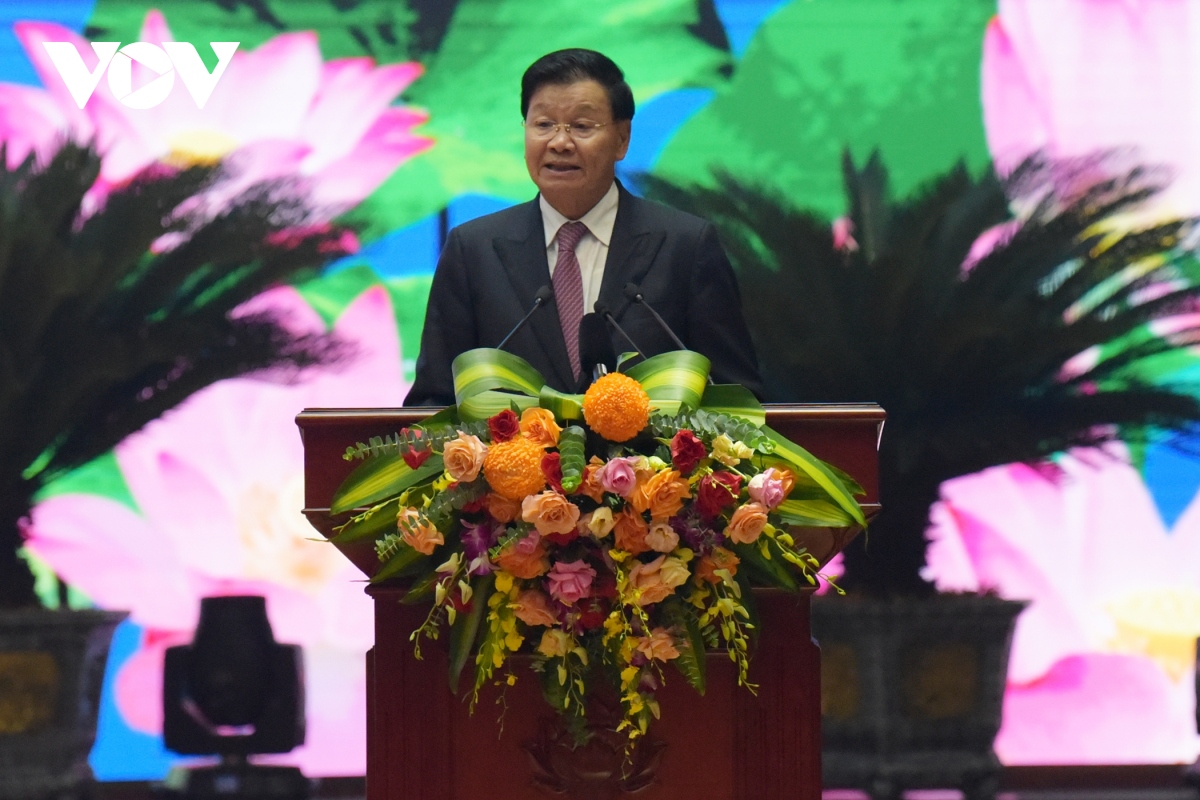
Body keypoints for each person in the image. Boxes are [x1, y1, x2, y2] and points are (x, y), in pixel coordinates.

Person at [405, 48, 762, 406]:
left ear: (622, 139)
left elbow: (737, 400)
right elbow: (432, 401)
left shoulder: (685, 246)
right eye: (543, 125)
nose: (560, 143)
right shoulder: (473, 250)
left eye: (581, 126)